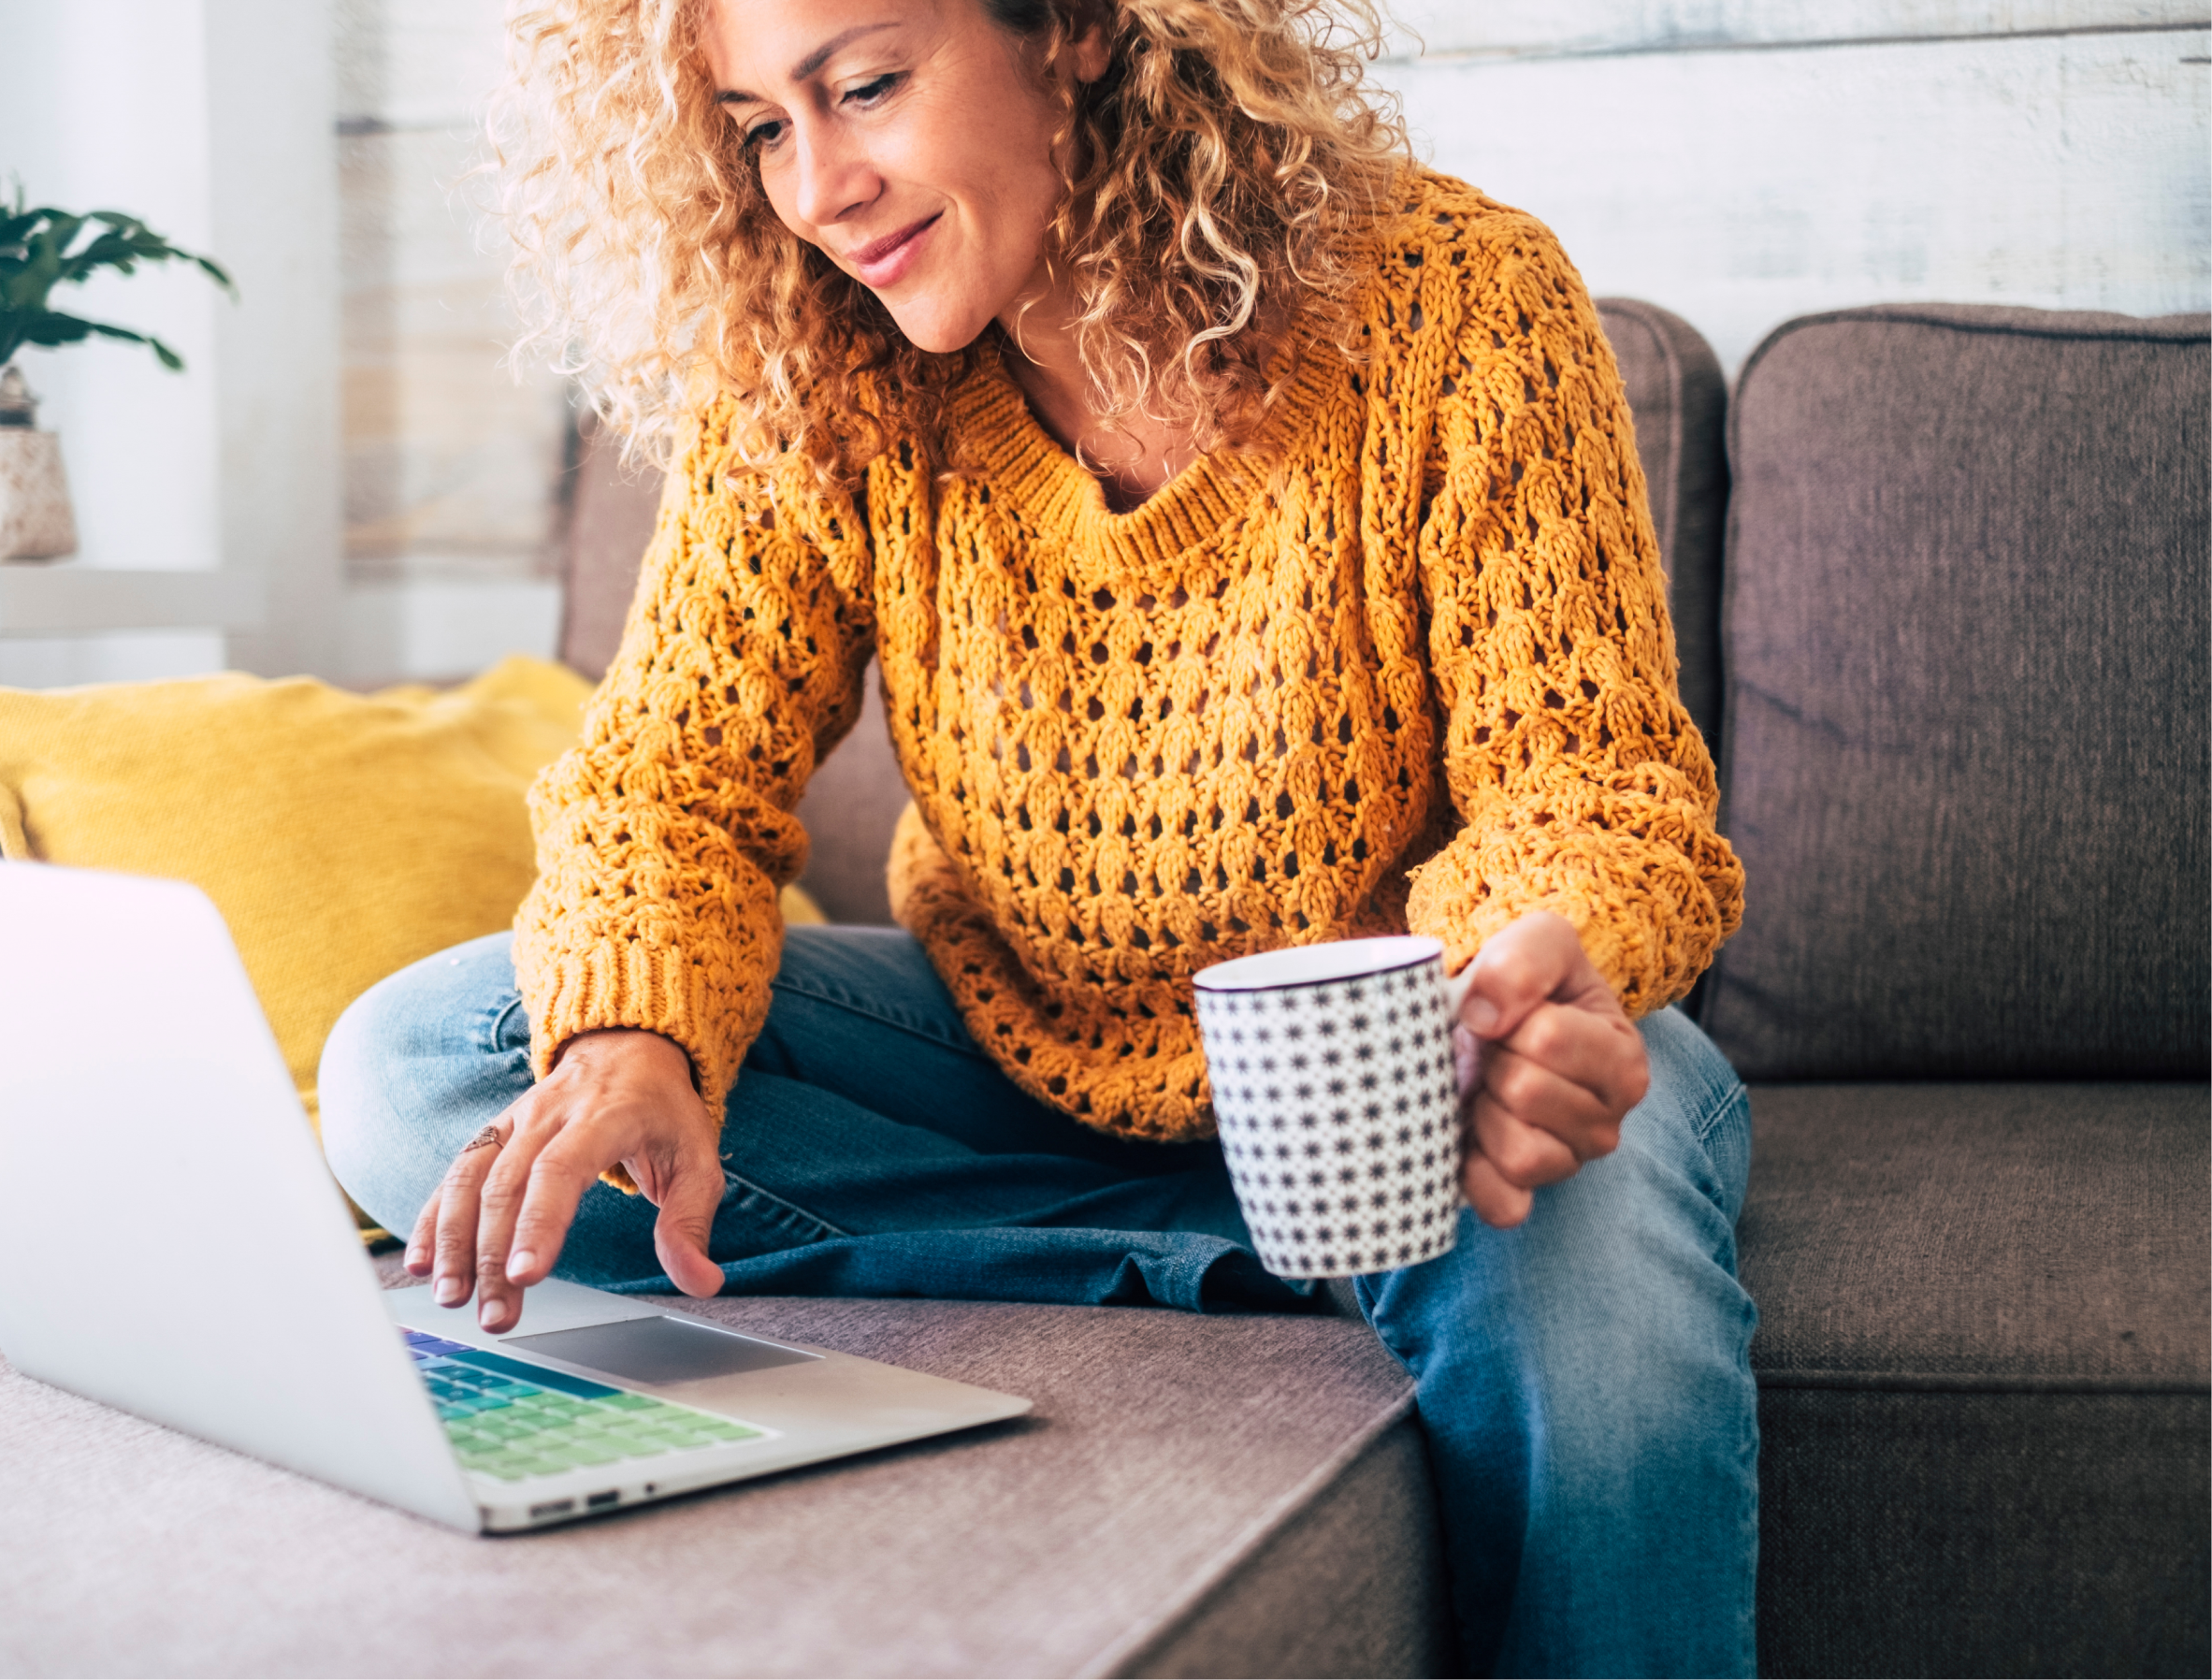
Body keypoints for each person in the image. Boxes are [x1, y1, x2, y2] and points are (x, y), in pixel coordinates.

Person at [319, 0, 1756, 1672]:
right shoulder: (815, 363)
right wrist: (636, 1037)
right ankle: (1273, 1265)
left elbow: (1592, 787)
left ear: (1077, 29)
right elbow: (667, 783)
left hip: (1408, 1079)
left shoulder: (1461, 304)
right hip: (1022, 1060)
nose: (819, 189)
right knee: (422, 1067)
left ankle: (1317, 1242)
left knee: (1585, 1219)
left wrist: (1508, 996)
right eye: (760, 128)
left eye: (863, 87)